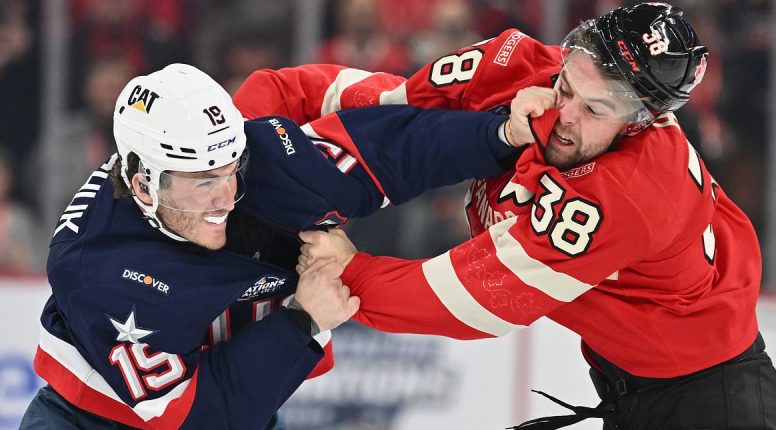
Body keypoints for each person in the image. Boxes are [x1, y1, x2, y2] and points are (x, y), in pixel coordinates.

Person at [290, 3, 776, 429]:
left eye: (596, 109)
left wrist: (350, 272)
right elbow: (389, 103)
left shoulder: (630, 192)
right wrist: (280, 110)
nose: (566, 113)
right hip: (641, 382)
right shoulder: (519, 63)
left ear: (641, 123)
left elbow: (474, 299)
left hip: (715, 405)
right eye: (567, 84)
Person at [21, 61, 533, 429]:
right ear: (142, 186)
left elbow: (395, 148)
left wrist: (503, 131)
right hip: (95, 418)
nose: (227, 196)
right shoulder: (99, 270)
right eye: (203, 182)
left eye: (231, 171)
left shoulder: (263, 164)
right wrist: (302, 323)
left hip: (246, 400)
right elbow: (199, 416)